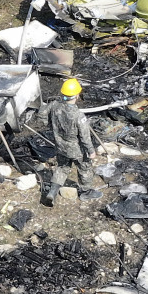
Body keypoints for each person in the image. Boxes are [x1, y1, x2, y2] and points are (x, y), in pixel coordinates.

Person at [40, 77, 100, 205]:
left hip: (60, 145)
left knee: (62, 167)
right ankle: (86, 192)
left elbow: (42, 113)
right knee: (85, 168)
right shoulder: (78, 116)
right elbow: (85, 137)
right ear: (77, 95)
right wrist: (91, 150)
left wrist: (49, 125)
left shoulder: (54, 105)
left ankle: (52, 192)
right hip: (76, 149)